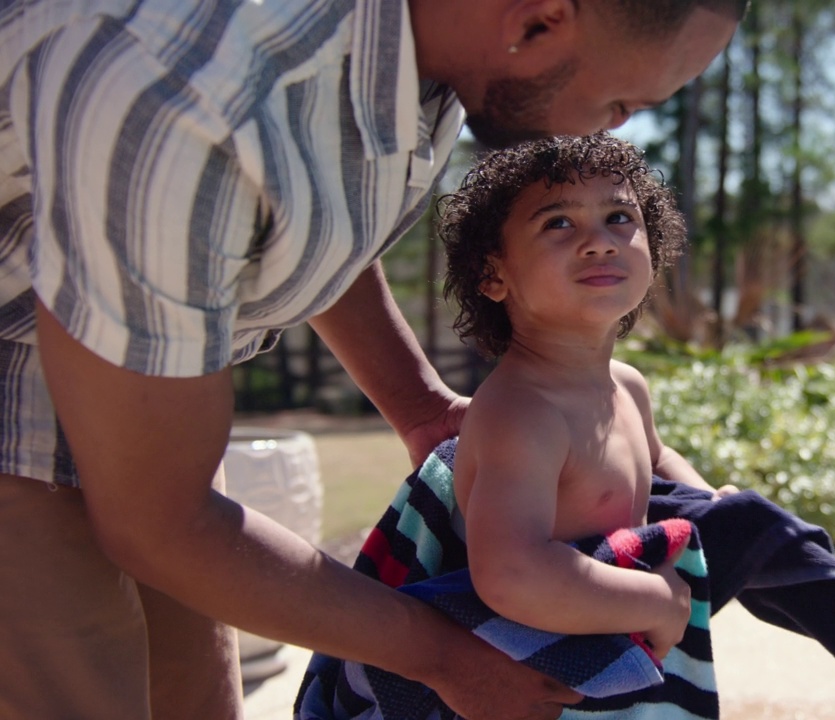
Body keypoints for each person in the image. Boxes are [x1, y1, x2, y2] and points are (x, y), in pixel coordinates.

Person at [0, 1, 745, 718]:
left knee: (190, 696)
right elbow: (159, 520)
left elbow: (296, 209)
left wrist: (420, 405)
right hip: (15, 372)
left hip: (128, 356)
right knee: (78, 689)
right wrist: (441, 657)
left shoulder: (449, 59)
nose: (616, 127)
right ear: (539, 19)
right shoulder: (181, 91)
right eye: (619, 100)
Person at [438, 133, 737, 664]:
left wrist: (708, 501)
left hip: (611, 644)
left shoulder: (627, 385)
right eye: (558, 223)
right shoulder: (522, 414)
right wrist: (657, 602)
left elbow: (657, 458)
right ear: (492, 274)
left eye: (620, 218)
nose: (599, 241)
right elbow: (511, 574)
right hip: (537, 671)